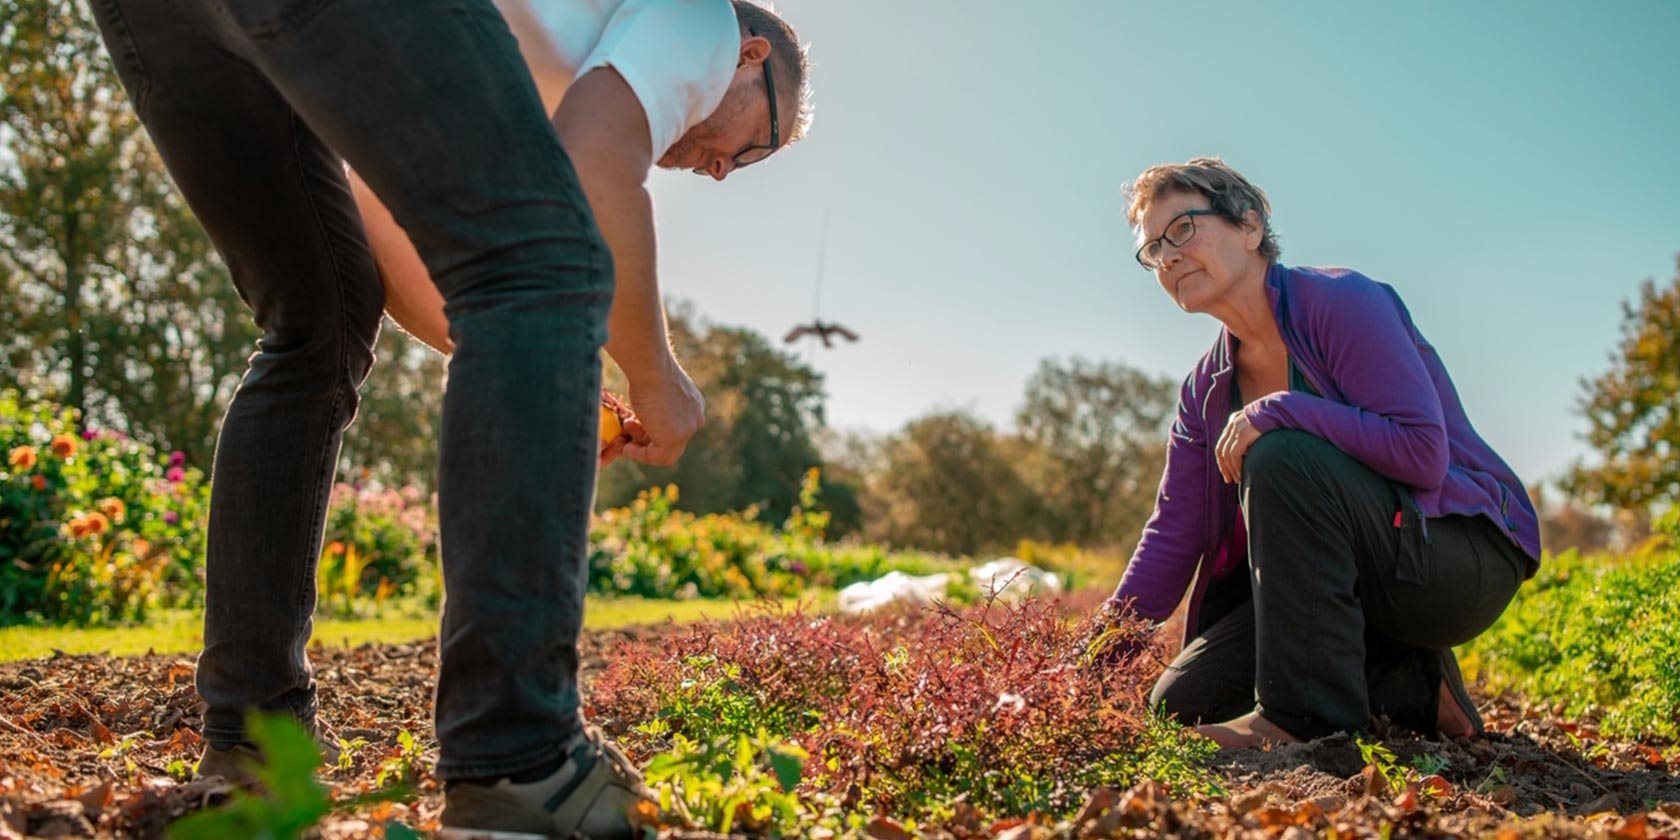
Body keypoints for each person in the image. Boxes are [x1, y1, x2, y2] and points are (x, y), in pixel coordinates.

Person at [86, 0, 810, 834]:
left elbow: (395, 229)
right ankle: (520, 760)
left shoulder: (534, 57)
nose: (724, 172)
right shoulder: (700, 23)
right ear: (751, 54)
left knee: (317, 323)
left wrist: (539, 365)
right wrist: (657, 378)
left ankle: (251, 745)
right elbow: (597, 174)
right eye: (755, 146)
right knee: (551, 256)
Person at [1100, 157, 1539, 750]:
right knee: (1180, 703)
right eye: (1152, 249)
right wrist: (1087, 662)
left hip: (1459, 554)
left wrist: (1279, 409)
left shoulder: (1340, 301)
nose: (1168, 255)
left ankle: (1306, 725)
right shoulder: (1204, 391)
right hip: (1351, 576)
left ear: (1250, 226)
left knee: (1280, 456)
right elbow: (1173, 533)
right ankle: (1412, 685)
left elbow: (1421, 453)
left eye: (1182, 228)